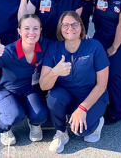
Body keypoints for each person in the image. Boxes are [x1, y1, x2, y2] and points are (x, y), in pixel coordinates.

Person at [0, 14, 51, 145]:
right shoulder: (9, 51)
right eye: (26, 28)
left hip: (31, 91)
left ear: (40, 30)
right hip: (8, 91)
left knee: (40, 116)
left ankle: (34, 123)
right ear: (19, 31)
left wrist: (85, 41)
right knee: (14, 115)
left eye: (35, 28)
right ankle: (4, 128)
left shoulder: (47, 45)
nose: (31, 33)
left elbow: (67, 48)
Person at [40, 11, 109, 154]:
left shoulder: (94, 46)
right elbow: (43, 85)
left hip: (92, 95)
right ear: (60, 28)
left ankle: (96, 123)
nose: (70, 28)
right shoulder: (53, 49)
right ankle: (60, 132)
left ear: (81, 27)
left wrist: (82, 109)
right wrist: (54, 72)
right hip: (67, 95)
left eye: (74, 24)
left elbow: (102, 84)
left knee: (82, 131)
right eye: (65, 25)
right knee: (53, 97)